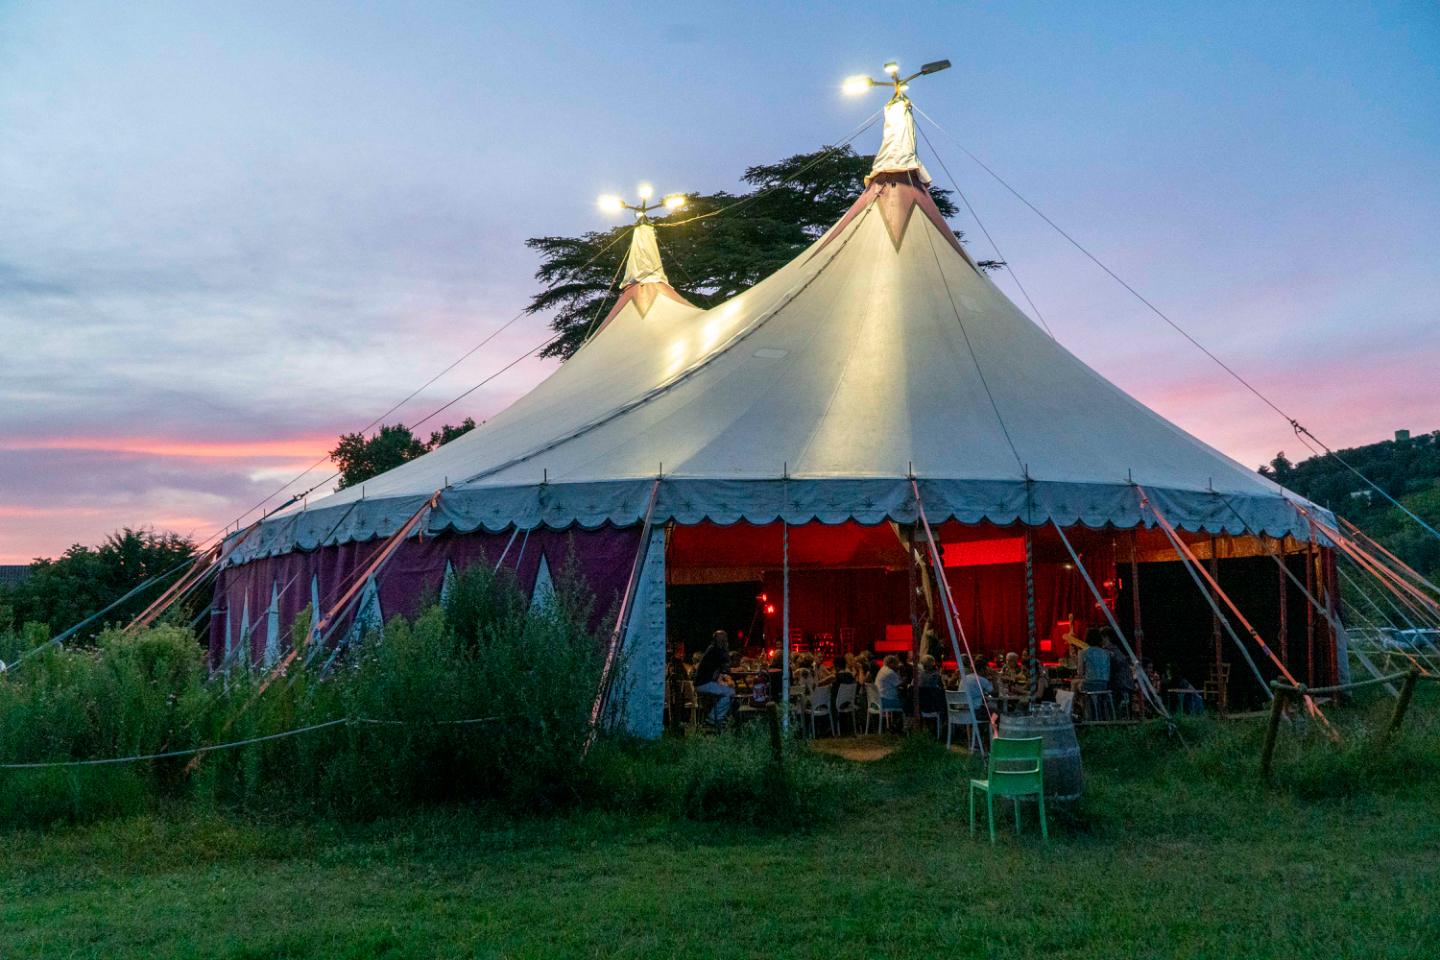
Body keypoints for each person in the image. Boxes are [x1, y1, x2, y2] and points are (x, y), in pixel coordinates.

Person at [694, 630, 736, 725]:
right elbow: (727, 668)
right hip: (704, 684)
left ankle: (719, 716)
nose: (727, 641)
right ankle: (713, 718)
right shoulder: (717, 651)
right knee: (730, 692)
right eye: (725, 639)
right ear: (722, 640)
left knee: (728, 688)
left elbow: (716, 670)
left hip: (702, 683)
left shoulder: (712, 649)